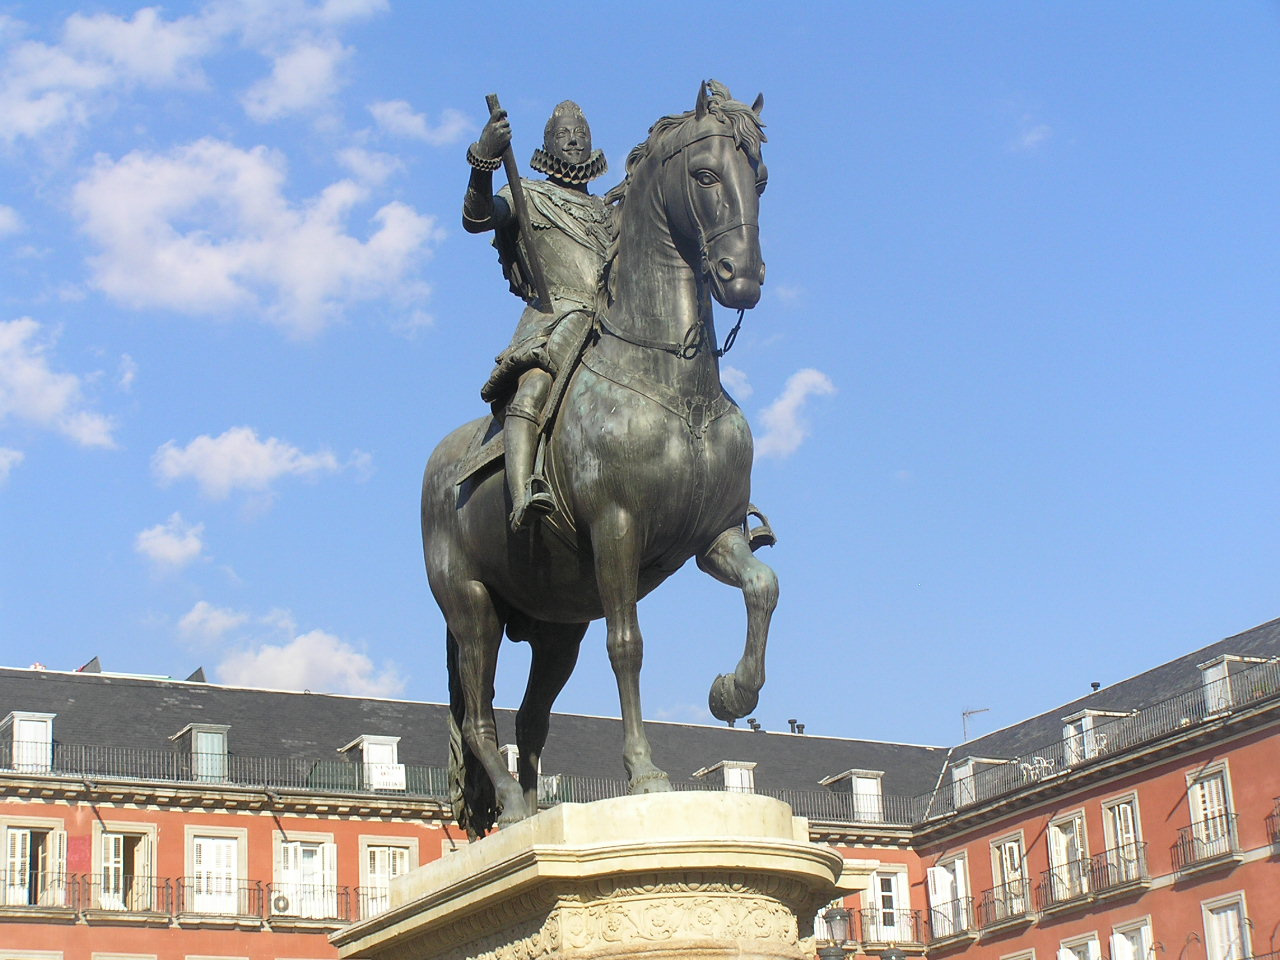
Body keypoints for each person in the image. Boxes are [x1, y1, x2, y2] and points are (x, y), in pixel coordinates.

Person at [463, 100, 615, 531]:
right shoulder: (526, 195)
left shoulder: (609, 212)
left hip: (612, 322)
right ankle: (523, 491)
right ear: (547, 143)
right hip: (555, 319)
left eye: (580, 132)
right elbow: (476, 218)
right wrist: (484, 159)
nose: (573, 139)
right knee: (533, 388)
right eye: (563, 133)